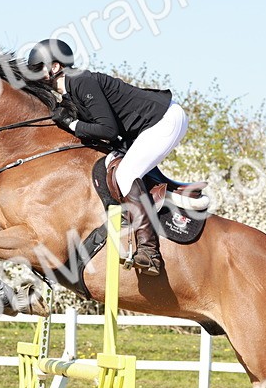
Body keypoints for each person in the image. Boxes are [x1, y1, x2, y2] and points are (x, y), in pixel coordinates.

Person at [26, 38, 188, 275]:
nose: (34, 75)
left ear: (55, 67)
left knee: (126, 174)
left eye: (38, 68)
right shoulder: (71, 92)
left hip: (163, 120)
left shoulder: (81, 81)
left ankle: (149, 251)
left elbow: (108, 130)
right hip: (145, 126)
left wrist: (72, 124)